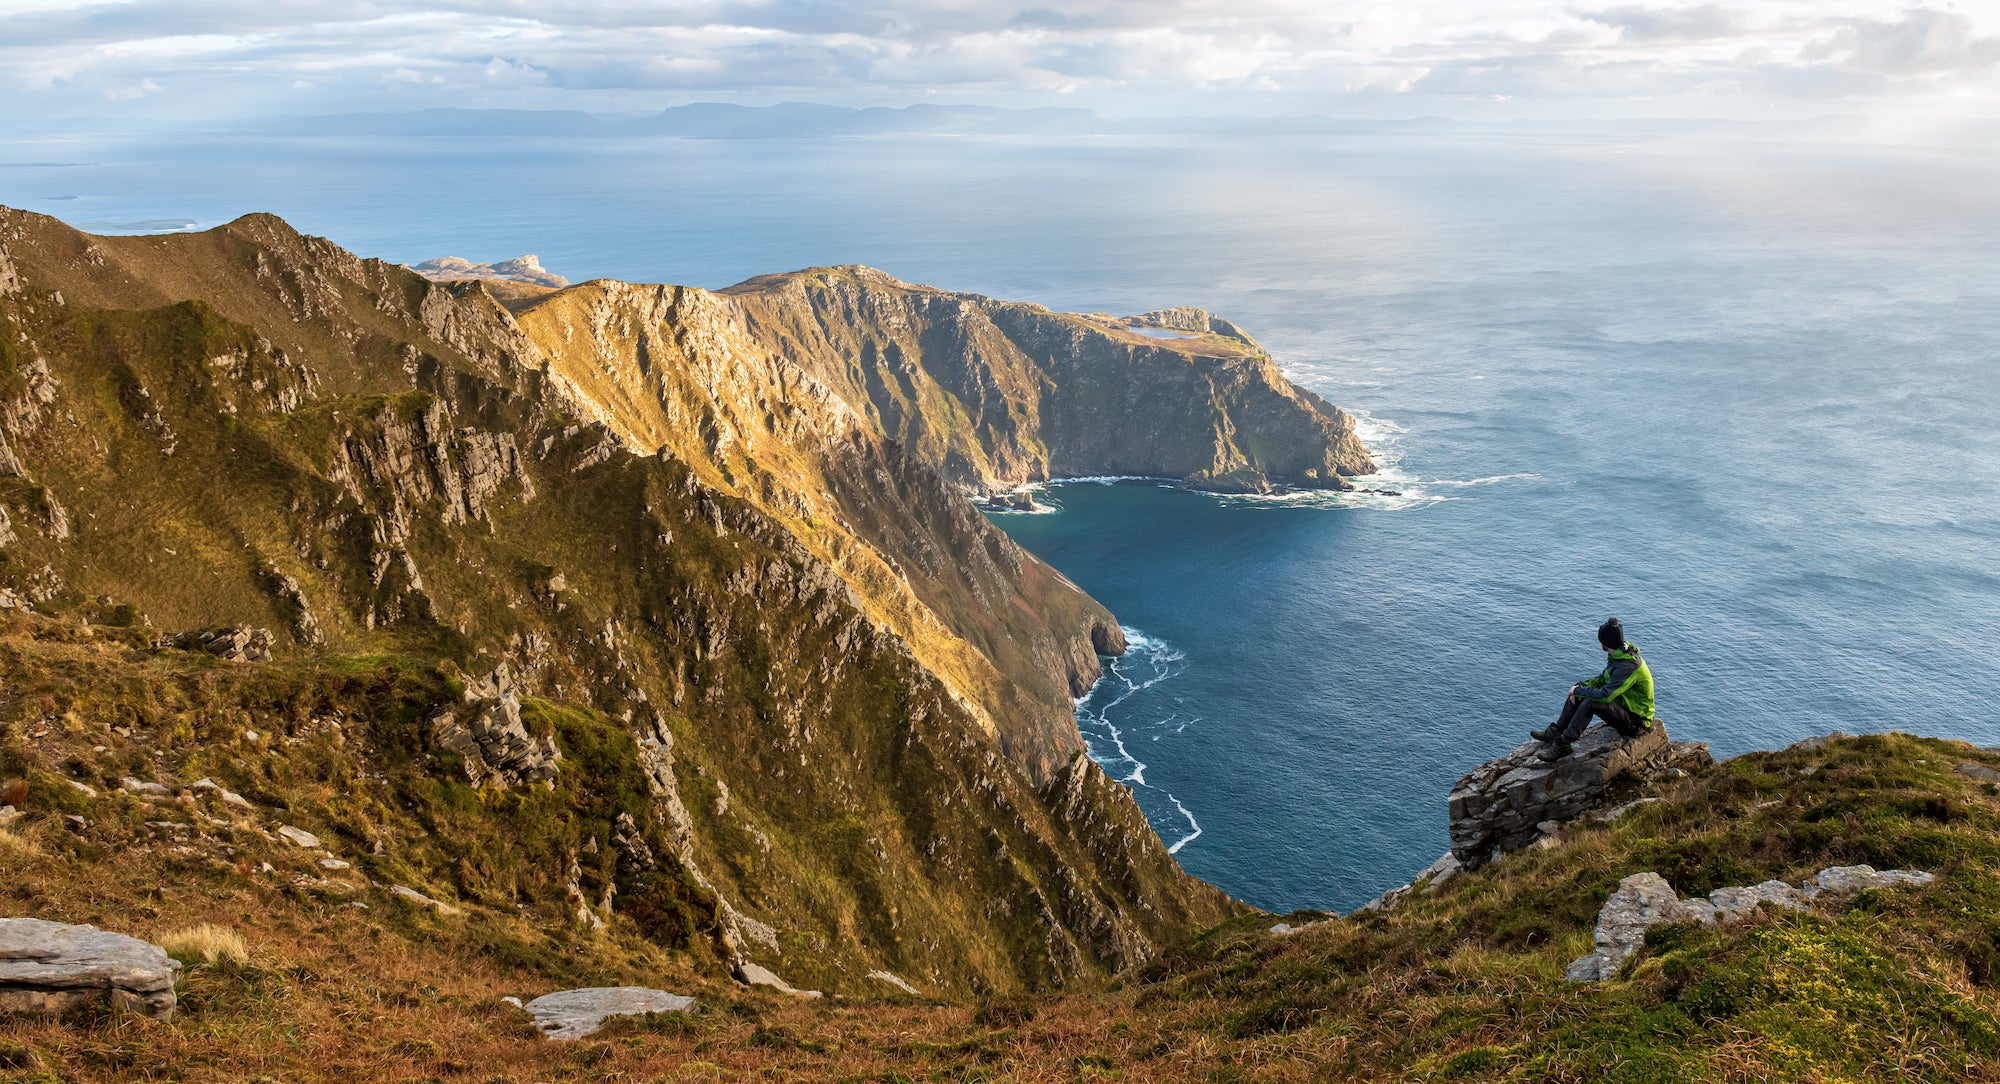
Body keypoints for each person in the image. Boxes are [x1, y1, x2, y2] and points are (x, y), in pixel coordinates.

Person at [1530, 617, 1655, 762]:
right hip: (1624, 707)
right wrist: (1579, 687)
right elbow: (1602, 679)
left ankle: (1563, 744)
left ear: (1604, 643)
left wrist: (1579, 691)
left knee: (1591, 702)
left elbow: (1605, 695)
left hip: (1637, 722)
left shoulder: (1627, 666)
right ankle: (1556, 731)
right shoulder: (1619, 655)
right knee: (1580, 690)